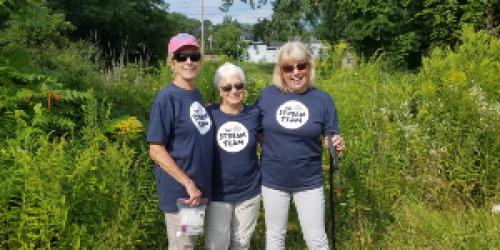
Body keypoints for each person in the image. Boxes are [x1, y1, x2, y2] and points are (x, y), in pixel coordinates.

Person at [256, 41, 345, 250]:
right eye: (288, 68)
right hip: (273, 179)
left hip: (309, 181)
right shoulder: (267, 95)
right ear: (280, 70)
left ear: (309, 67)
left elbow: (329, 136)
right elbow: (255, 130)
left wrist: (335, 142)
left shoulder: (323, 99)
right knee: (275, 236)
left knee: (316, 239)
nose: (295, 72)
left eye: (301, 66)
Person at [146, 33, 213, 250]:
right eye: (181, 57)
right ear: (172, 63)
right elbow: (156, 150)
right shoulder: (167, 98)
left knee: (189, 244)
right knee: (182, 246)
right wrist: (187, 182)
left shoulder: (195, 94)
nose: (189, 62)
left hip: (196, 191)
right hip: (181, 194)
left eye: (193, 56)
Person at [205, 62, 261, 250]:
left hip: (249, 192)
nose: (234, 91)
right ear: (219, 91)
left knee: (241, 243)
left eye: (238, 86)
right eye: (227, 87)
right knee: (217, 245)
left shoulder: (255, 114)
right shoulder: (209, 114)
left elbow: (275, 137)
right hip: (218, 193)